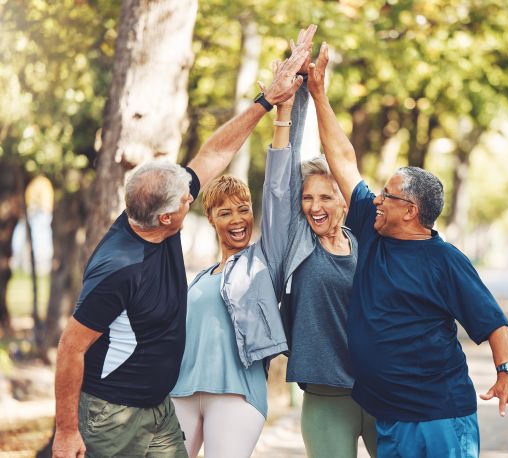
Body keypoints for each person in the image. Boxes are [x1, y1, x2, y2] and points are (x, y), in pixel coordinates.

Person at [51, 31, 314, 458]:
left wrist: (269, 103)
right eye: (188, 201)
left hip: (159, 408)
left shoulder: (149, 211)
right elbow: (70, 347)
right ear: (168, 218)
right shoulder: (119, 268)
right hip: (113, 412)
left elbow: (212, 157)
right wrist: (66, 431)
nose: (193, 196)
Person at [306, 42, 508, 457]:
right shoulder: (372, 231)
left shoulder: (445, 261)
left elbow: (493, 323)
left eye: (386, 195)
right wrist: (319, 94)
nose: (376, 198)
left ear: (409, 210)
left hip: (440, 415)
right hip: (391, 417)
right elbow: (342, 158)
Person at [169, 27, 317, 458]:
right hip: (181, 392)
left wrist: (284, 111)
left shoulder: (265, 261)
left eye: (243, 209)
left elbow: (277, 191)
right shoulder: (199, 278)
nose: (238, 219)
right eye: (224, 212)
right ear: (210, 219)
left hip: (235, 396)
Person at [278, 73, 377, 456]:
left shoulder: (364, 241)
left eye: (325, 197)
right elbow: (281, 175)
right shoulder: (298, 241)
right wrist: (294, 99)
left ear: (345, 199)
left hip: (380, 389)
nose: (315, 207)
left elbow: (345, 159)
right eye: (307, 198)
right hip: (325, 396)